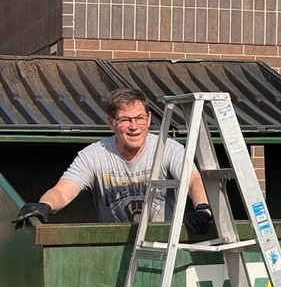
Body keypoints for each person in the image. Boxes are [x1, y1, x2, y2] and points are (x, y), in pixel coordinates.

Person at [11, 87, 214, 234]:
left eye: (139, 118)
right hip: (115, 245)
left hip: (163, 243)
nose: (134, 126)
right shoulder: (94, 155)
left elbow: (193, 180)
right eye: (125, 120)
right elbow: (63, 191)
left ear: (149, 119)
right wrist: (44, 205)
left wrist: (202, 209)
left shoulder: (168, 147)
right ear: (111, 123)